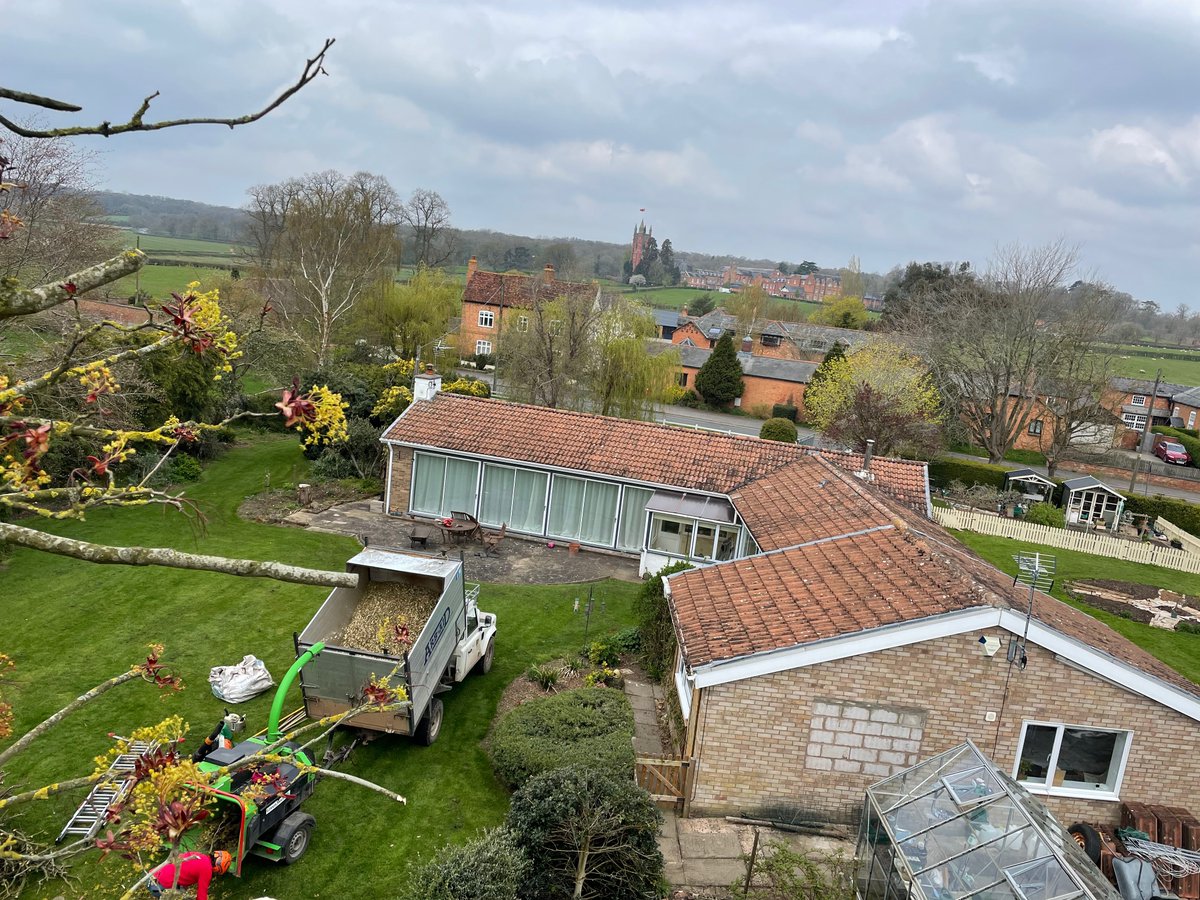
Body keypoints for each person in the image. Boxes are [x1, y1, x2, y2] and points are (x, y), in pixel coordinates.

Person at [147, 850, 232, 898]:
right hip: (158, 887)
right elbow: (201, 895)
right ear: (219, 867)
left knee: (183, 888)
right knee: (184, 895)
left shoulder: (199, 854)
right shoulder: (207, 870)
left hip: (151, 875)